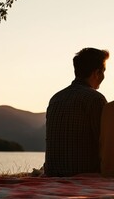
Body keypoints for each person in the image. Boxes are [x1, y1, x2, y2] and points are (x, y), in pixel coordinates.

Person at [44, 47, 109, 177]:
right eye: (104, 71)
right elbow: (104, 141)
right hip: (84, 174)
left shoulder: (56, 98)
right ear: (97, 73)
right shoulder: (95, 99)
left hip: (52, 174)